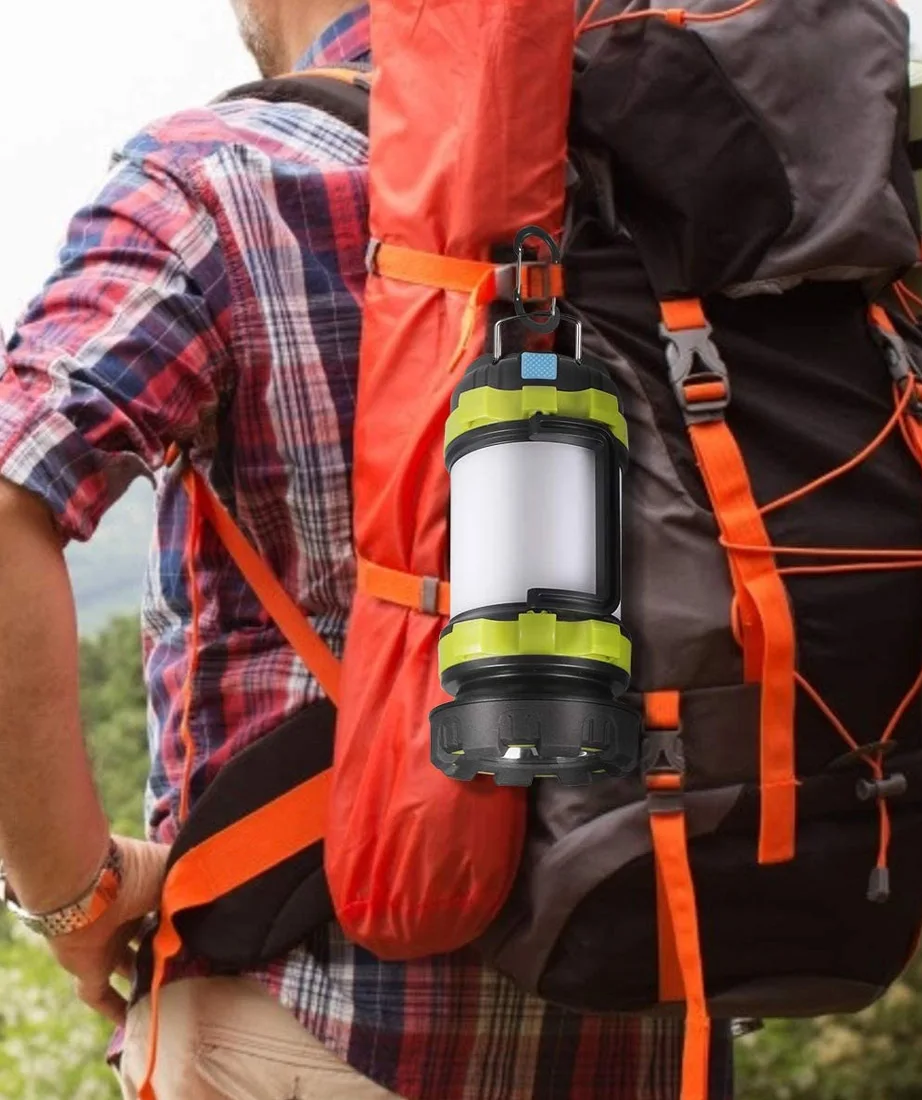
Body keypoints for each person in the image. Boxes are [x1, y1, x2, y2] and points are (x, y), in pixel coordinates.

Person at [0, 3, 719, 1098]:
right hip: (659, 1016)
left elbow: (12, 491)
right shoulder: (678, 161)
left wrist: (74, 895)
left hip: (315, 1025)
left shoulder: (222, 175)